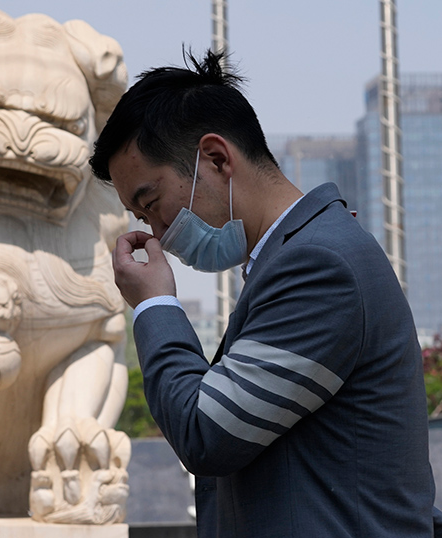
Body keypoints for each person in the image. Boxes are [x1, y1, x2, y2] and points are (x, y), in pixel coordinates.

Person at [89, 49, 441, 537]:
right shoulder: (295, 256)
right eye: (142, 218)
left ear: (216, 158)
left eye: (151, 203)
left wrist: (155, 305)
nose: (156, 232)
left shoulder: (319, 265)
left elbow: (206, 432)